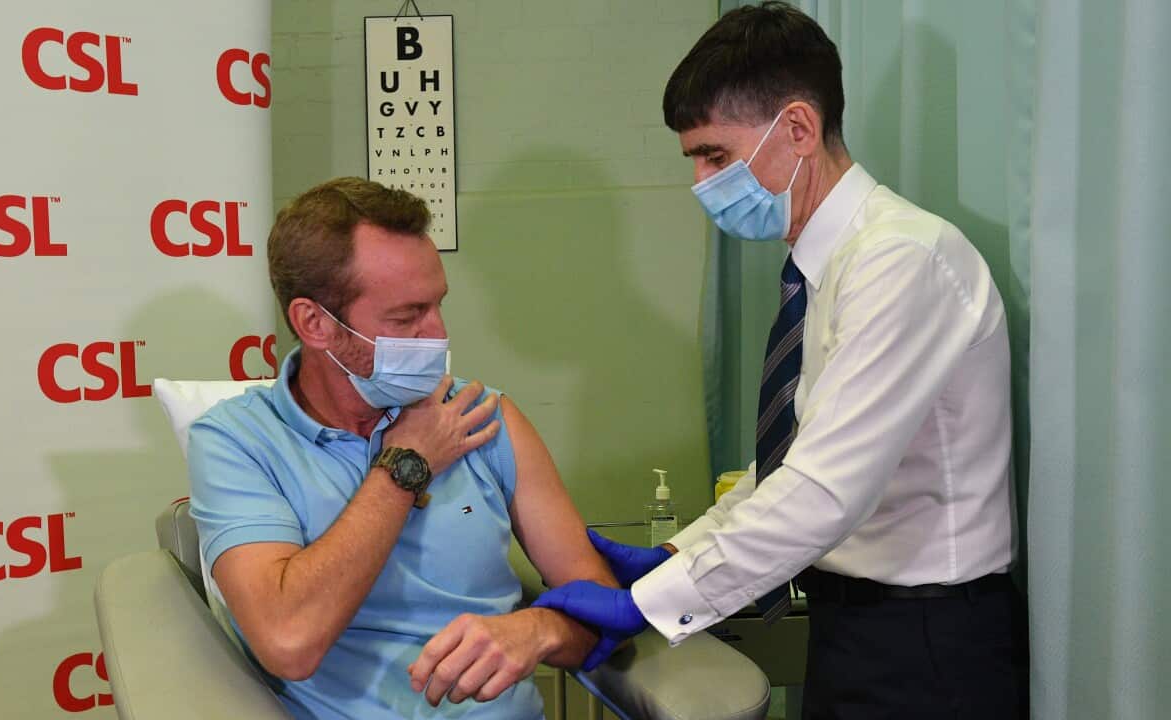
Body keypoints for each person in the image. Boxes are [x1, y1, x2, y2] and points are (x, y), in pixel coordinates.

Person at [532, 3, 1029, 719]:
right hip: (856, 626)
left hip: (925, 642)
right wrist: (678, 554)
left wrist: (650, 602)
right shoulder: (826, 268)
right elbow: (791, 466)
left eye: (715, 156)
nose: (701, 183)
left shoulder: (900, 262)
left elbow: (822, 493)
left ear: (798, 128)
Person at [188, 177, 616, 720]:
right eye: (406, 316)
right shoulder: (238, 441)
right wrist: (405, 465)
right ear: (314, 323)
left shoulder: (482, 417)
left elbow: (602, 601)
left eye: (437, 305)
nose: (437, 334)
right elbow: (289, 642)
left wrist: (541, 628)